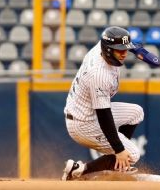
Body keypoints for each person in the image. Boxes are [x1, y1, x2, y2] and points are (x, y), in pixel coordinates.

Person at [61, 26, 144, 180]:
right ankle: (78, 170)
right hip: (83, 123)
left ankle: (115, 165)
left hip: (85, 110)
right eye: (120, 50)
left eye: (126, 49)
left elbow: (116, 43)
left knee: (136, 112)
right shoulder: (99, 74)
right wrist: (119, 149)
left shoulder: (102, 46)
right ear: (108, 50)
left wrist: (137, 50)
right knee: (131, 154)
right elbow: (103, 115)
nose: (124, 53)